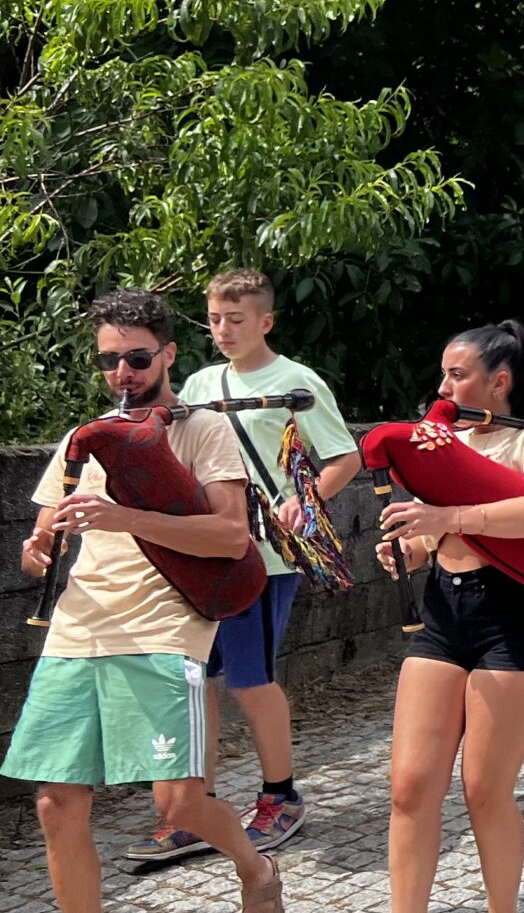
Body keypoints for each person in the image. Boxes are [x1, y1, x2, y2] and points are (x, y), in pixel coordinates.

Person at [4, 290, 285, 913]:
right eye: (110, 359)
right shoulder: (81, 439)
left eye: (136, 357)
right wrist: (36, 550)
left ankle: (255, 869)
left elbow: (230, 537)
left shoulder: (202, 434)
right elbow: (43, 533)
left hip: (165, 631)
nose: (122, 372)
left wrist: (128, 518)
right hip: (77, 632)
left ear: (167, 356)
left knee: (177, 806)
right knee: (56, 804)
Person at [332, 321, 524, 913]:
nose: (443, 389)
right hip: (444, 612)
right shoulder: (444, 444)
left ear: (500, 381)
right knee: (410, 786)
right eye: (442, 374)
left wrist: (450, 518)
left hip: (514, 619)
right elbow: (437, 536)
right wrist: (409, 548)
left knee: (483, 789)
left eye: (458, 375)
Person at [131, 268, 361, 864]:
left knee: (250, 679)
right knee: (196, 680)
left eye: (236, 320)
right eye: (214, 319)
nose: (224, 330)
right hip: (203, 553)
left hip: (263, 558)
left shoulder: (296, 381)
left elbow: (343, 456)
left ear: (266, 321)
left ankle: (281, 796)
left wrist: (305, 501)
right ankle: (197, 808)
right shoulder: (202, 382)